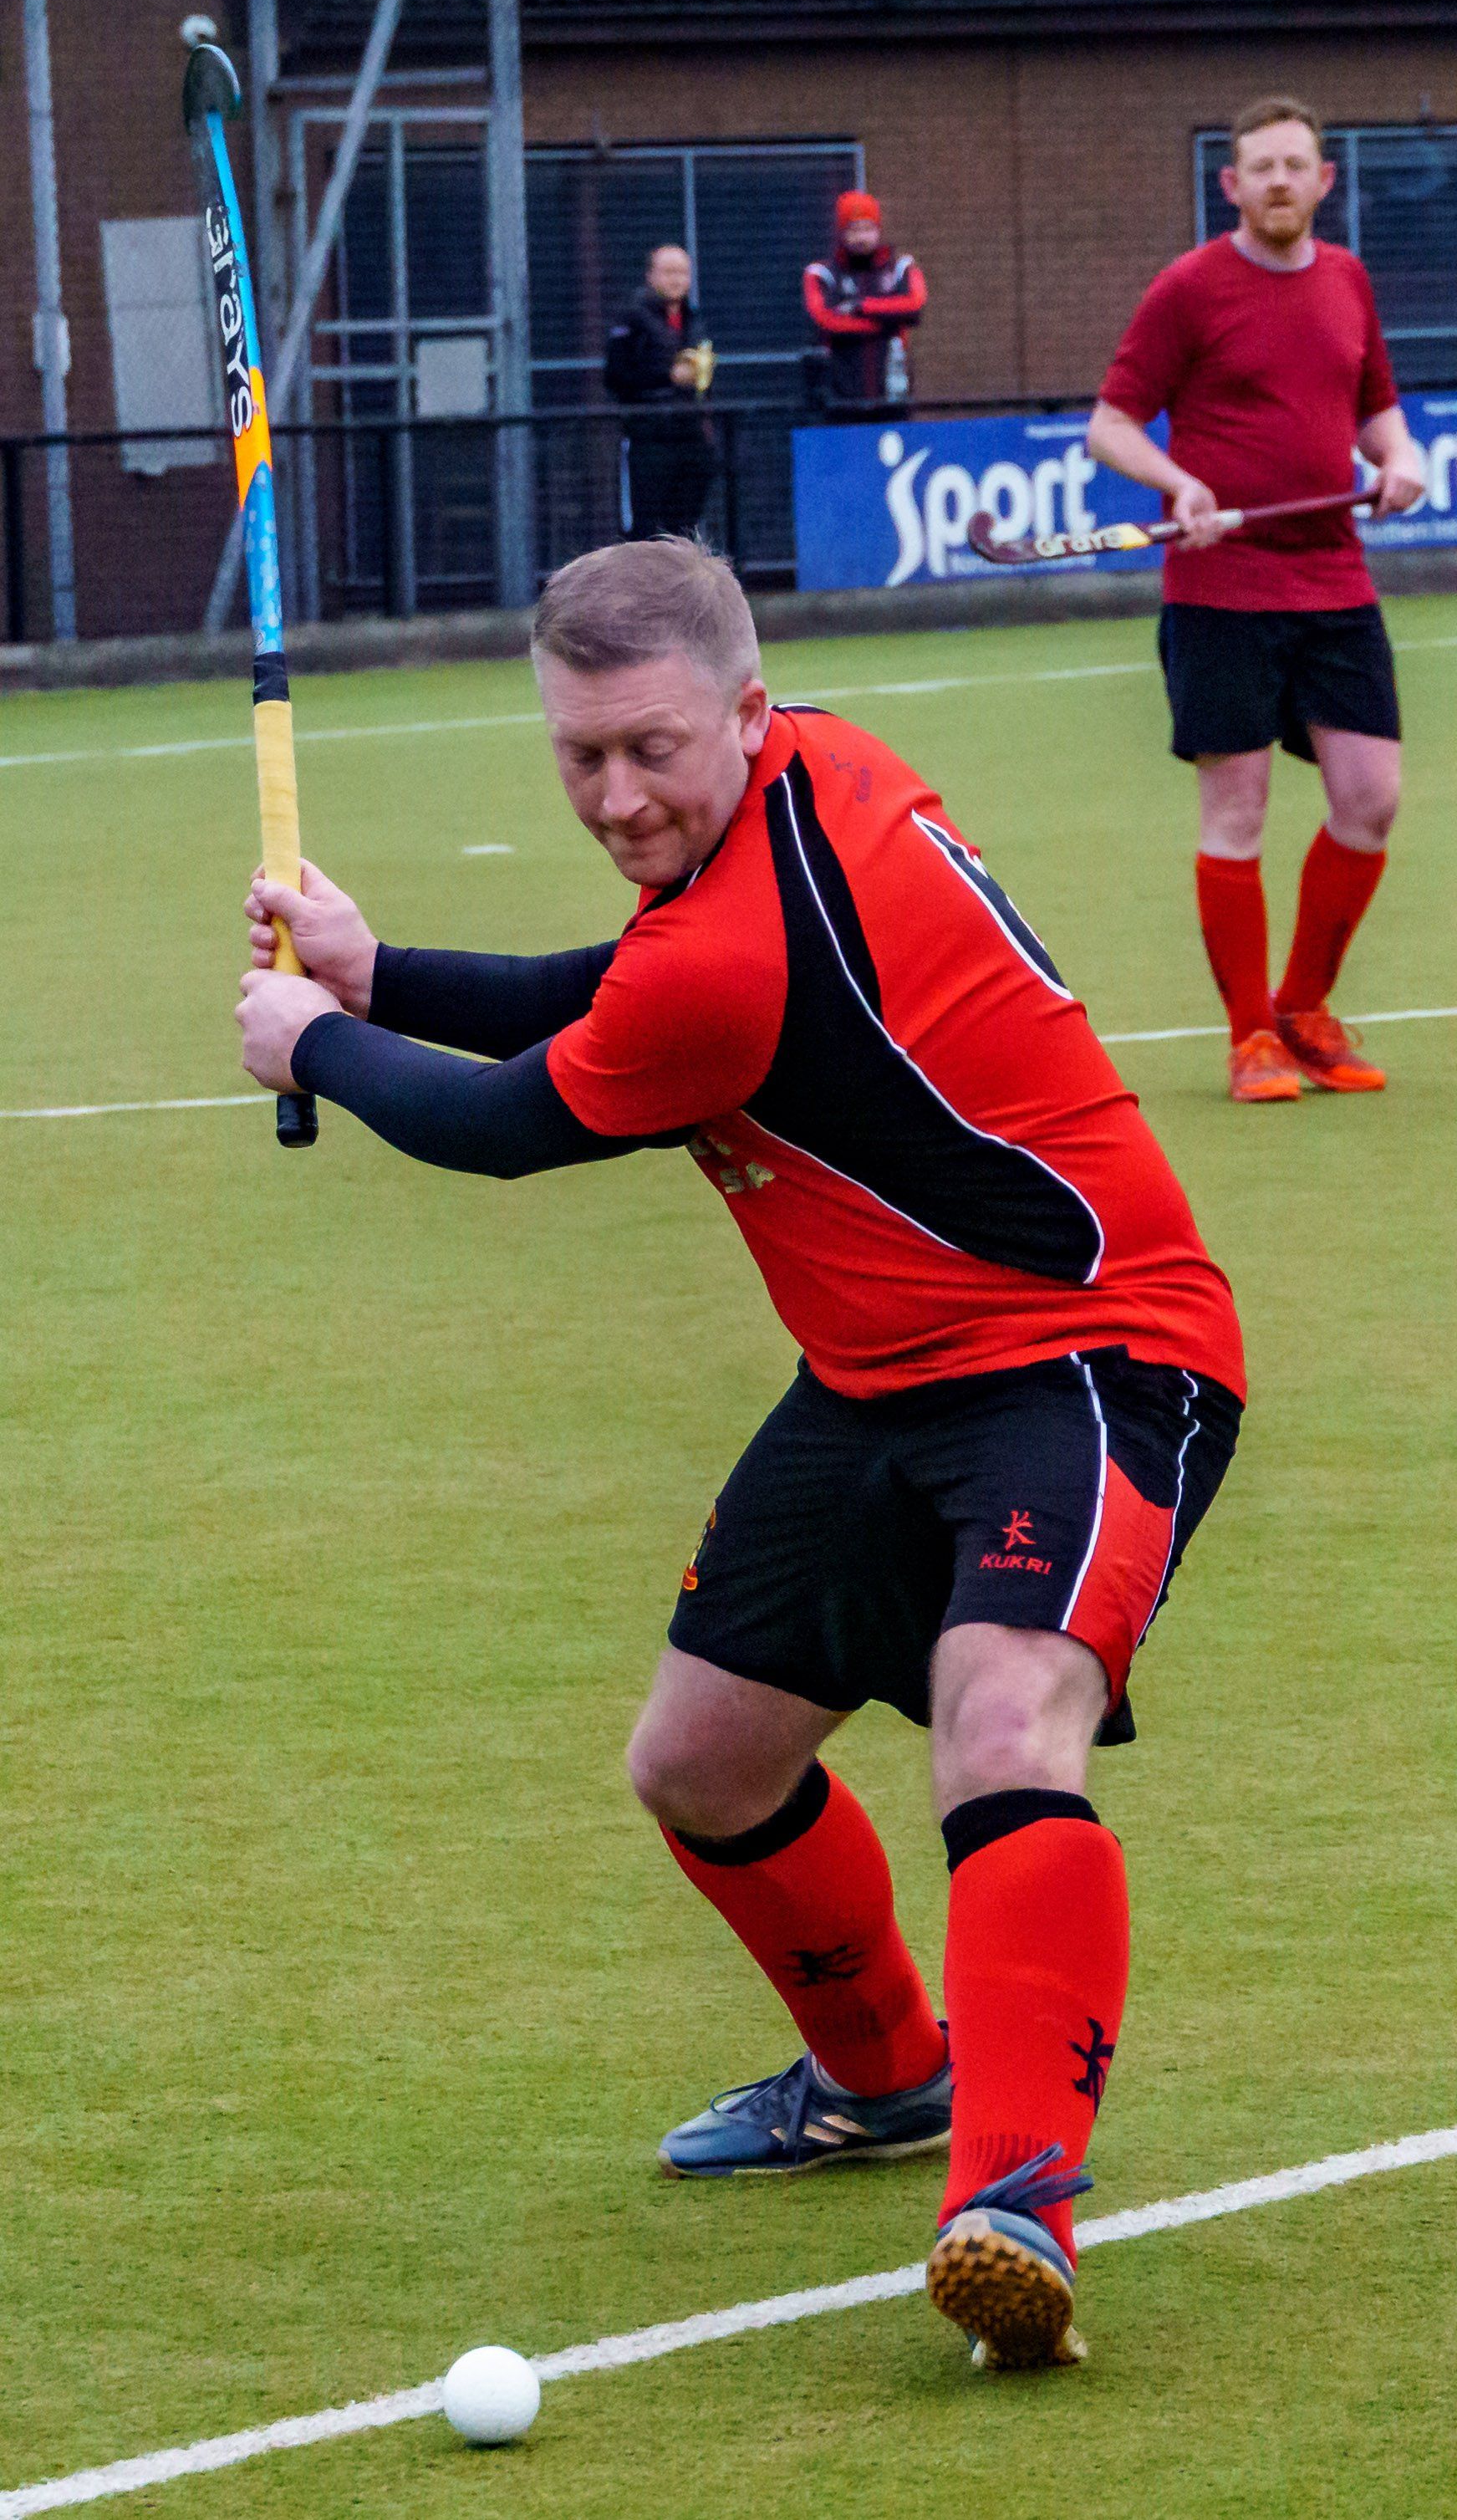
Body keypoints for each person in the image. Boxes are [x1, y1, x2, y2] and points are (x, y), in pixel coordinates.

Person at [236, 537, 1244, 2375]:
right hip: (873, 1369)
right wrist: (386, 975)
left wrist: (318, 1040)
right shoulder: (803, 778)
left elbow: (508, 1122)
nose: (617, 795)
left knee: (1000, 1712)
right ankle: (885, 2078)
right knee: (698, 1762)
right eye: (579, 754)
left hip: (1089, 1347)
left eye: (651, 749)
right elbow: (615, 984)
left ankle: (1014, 2199)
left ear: (744, 708)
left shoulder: (740, 944)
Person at [1088, 95, 1424, 1104]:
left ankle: (1303, 1011)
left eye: (1295, 166)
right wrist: (1179, 485)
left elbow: (1376, 408)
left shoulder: (1348, 280)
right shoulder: (1189, 289)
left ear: (1325, 181)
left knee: (1370, 798)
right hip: (1222, 588)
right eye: (1261, 168)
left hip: (1333, 578)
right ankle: (1250, 1040)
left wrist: (1399, 458)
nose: (1280, 182)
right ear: (1231, 185)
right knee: (1238, 809)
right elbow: (1111, 425)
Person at [604, 244, 717, 540]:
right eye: (668, 272)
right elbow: (615, 376)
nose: (676, 280)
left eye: (682, 272)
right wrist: (668, 376)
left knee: (685, 527)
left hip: (690, 435)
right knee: (646, 528)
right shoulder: (631, 319)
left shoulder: (694, 318)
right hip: (649, 437)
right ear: (651, 276)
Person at [803, 191, 927, 414]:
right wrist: (889, 323)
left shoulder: (900, 267)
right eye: (854, 230)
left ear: (878, 230)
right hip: (840, 393)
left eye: (868, 229)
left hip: (892, 389)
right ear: (842, 232)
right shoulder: (822, 273)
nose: (861, 238)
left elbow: (915, 304)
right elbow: (825, 320)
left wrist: (860, 306)